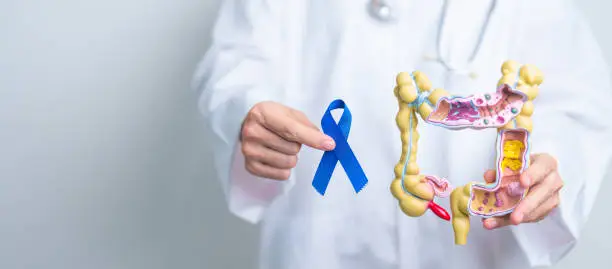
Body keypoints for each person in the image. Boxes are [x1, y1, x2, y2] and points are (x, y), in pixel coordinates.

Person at [192, 0, 612, 268]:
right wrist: (247, 110)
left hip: (474, 253)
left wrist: (554, 161)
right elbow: (238, 61)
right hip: (320, 240)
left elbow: (574, 102)